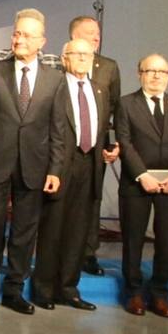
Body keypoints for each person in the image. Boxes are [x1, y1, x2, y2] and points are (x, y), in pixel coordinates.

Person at [0, 8, 70, 315]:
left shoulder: (55, 79)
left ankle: (14, 289)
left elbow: (58, 129)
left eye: (26, 35)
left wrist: (55, 169)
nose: (19, 39)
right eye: (16, 34)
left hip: (35, 167)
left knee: (25, 232)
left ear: (42, 41)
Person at [32, 38, 111, 312]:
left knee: (79, 230)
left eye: (87, 53)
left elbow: (101, 130)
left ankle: (68, 288)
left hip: (90, 165)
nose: (82, 57)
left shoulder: (100, 90)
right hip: (59, 164)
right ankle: (43, 289)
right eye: (76, 53)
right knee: (53, 228)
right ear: (64, 57)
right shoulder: (54, 86)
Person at [116, 54, 168, 317]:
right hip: (136, 184)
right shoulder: (126, 104)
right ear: (140, 73)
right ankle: (134, 293)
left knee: (167, 241)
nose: (156, 76)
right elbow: (124, 142)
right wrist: (142, 174)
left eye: (162, 71)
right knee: (133, 240)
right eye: (150, 70)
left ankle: (160, 293)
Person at [68, 16, 121, 277]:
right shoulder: (61, 64)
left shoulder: (109, 67)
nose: (96, 37)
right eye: (90, 32)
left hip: (96, 147)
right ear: (74, 37)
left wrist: (113, 144)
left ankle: (88, 252)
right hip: (66, 147)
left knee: (92, 199)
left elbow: (114, 109)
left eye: (98, 33)